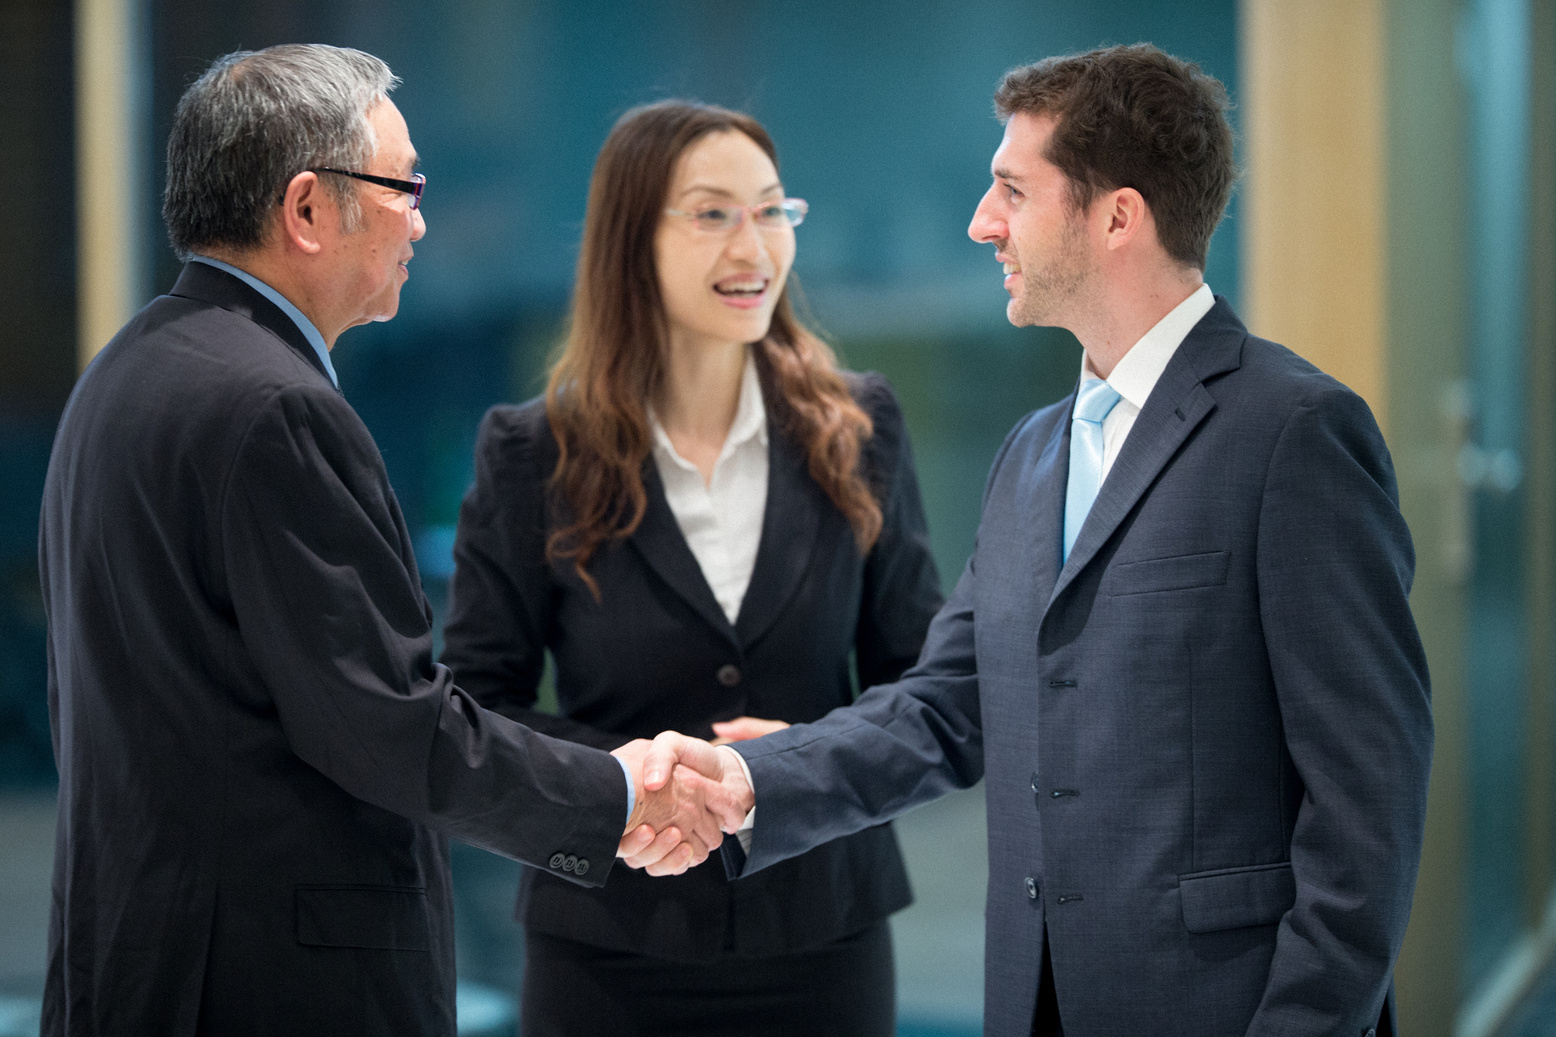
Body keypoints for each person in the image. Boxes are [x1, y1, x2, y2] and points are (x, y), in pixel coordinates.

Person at [632, 44, 1434, 1037]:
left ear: (1115, 217)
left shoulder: (1294, 434)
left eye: (1011, 189)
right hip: (1033, 999)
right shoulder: (1031, 453)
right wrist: (755, 778)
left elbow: (1366, 807)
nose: (982, 222)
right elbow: (945, 706)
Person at [39, 45, 731, 1037]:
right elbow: (386, 728)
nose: (419, 215)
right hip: (270, 986)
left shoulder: (127, 372)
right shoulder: (274, 407)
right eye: (403, 185)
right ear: (308, 208)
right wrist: (620, 792)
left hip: (144, 965)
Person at [439, 100, 943, 1037]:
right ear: (632, 239)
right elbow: (472, 708)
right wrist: (631, 786)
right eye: (713, 213)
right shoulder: (533, 450)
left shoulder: (858, 429)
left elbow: (927, 692)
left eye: (772, 211)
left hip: (823, 938)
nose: (753, 246)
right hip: (604, 949)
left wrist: (791, 769)